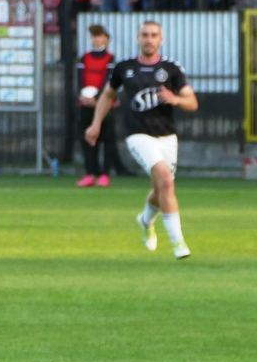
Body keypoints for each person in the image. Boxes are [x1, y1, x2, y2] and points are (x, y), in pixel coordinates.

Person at [86, 21, 197, 259]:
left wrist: (176, 99)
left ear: (161, 39)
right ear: (138, 38)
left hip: (167, 137)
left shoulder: (171, 69)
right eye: (145, 35)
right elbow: (107, 95)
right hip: (137, 135)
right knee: (166, 180)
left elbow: (192, 102)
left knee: (161, 188)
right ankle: (179, 244)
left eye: (154, 35)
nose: (149, 39)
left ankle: (146, 220)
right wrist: (96, 124)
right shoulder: (124, 67)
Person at [75, 24, 116, 188]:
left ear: (106, 39)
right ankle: (90, 173)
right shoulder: (84, 58)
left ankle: (105, 174)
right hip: (86, 104)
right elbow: (79, 79)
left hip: (104, 105)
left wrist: (99, 99)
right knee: (87, 139)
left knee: (107, 139)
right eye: (93, 36)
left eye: (99, 36)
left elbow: (109, 80)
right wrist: (82, 95)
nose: (96, 39)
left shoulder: (110, 59)